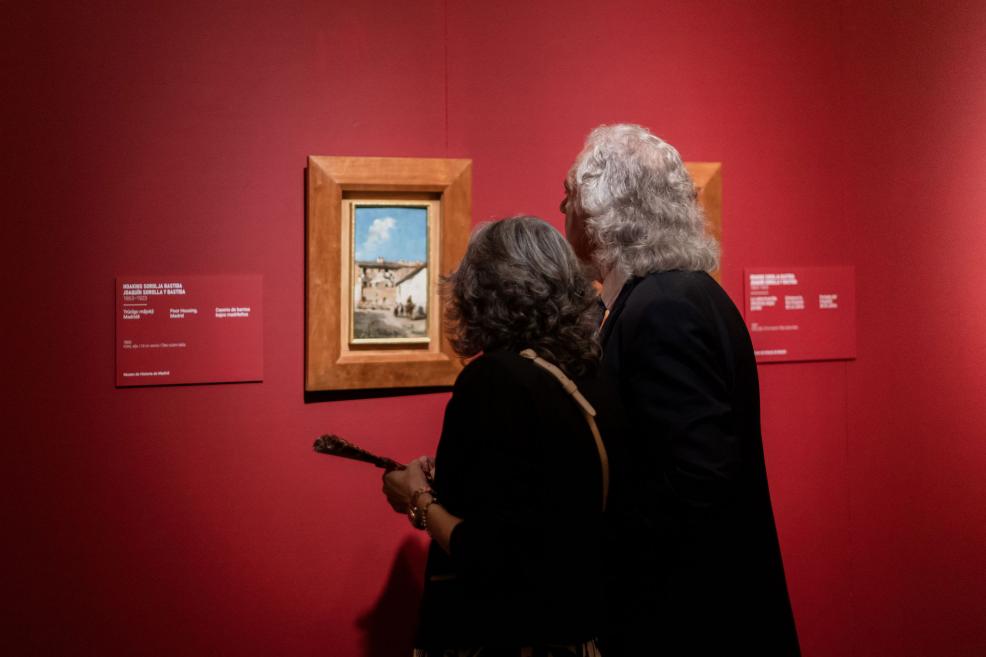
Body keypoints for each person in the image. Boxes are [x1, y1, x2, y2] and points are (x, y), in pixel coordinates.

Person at [562, 124, 801, 656]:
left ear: (604, 210)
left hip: (688, 622)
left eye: (570, 195)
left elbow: (698, 484)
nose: (562, 209)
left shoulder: (664, 305)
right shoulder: (677, 294)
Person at [381, 217, 627, 657]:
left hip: (506, 634)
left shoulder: (495, 380)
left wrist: (417, 499)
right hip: (583, 630)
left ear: (481, 293)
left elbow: (493, 555)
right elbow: (542, 506)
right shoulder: (591, 372)